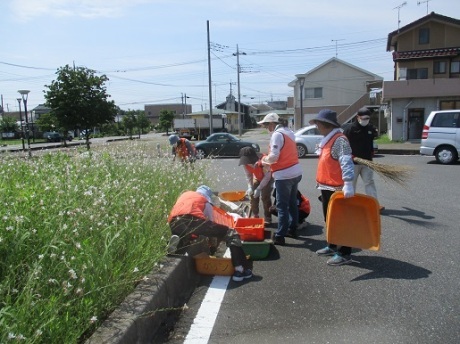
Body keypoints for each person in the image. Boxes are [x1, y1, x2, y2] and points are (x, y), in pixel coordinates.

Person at [167, 185, 252, 282]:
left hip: (174, 221)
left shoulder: (185, 195)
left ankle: (177, 243)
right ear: (207, 196)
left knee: (188, 236)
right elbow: (212, 226)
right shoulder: (204, 201)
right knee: (232, 234)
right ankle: (240, 269)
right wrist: (213, 246)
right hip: (193, 219)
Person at [310, 109, 355, 266]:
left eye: (318, 124)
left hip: (337, 189)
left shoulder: (340, 140)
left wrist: (348, 183)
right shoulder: (328, 139)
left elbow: (346, 161)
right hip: (326, 187)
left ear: (326, 125)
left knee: (340, 221)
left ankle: (345, 253)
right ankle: (332, 245)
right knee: (329, 220)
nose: (317, 127)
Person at [257, 113, 302, 246]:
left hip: (284, 174)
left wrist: (263, 160)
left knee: (282, 206)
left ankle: (280, 235)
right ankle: (293, 229)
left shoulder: (277, 135)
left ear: (272, 124)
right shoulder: (289, 132)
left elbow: (274, 157)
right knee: (293, 202)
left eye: (266, 125)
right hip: (296, 171)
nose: (266, 128)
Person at [343, 107, 384, 212]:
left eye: (368, 118)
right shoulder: (350, 129)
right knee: (351, 184)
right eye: (364, 118)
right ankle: (349, 204)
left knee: (369, 182)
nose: (366, 120)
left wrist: (372, 152)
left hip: (367, 162)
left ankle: (374, 204)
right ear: (358, 117)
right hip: (353, 163)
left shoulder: (370, 128)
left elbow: (371, 142)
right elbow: (343, 145)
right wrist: (348, 155)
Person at [238, 146, 274, 224]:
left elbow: (267, 177)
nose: (246, 162)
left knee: (265, 197)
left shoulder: (263, 161)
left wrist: (259, 188)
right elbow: (249, 176)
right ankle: (255, 215)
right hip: (258, 178)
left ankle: (268, 218)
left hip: (268, 178)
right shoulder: (245, 164)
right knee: (253, 196)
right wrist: (250, 187)